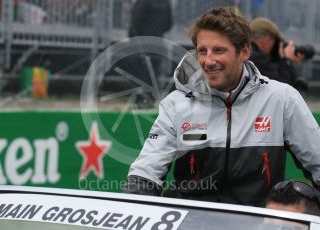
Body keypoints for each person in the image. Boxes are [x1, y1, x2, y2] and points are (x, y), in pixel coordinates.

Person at [122, 7, 320, 207]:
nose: (208, 61)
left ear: (244, 51)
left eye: (219, 50)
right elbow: (145, 173)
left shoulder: (282, 99)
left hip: (258, 223)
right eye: (202, 51)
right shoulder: (176, 104)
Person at [249, 17, 308, 93]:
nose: (275, 48)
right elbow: (284, 91)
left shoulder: (247, 52)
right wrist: (286, 61)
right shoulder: (257, 58)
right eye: (275, 43)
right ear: (267, 40)